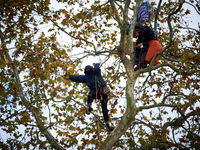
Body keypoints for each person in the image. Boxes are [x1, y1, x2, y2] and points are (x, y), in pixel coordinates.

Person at [62, 63, 114, 131]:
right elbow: (77, 78)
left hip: (102, 91)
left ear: (92, 70)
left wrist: (97, 64)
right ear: (85, 71)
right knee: (90, 94)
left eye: (89, 69)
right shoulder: (85, 77)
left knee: (104, 109)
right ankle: (89, 106)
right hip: (93, 92)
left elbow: (97, 69)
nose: (88, 70)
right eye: (87, 70)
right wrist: (68, 76)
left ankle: (107, 125)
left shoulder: (96, 74)